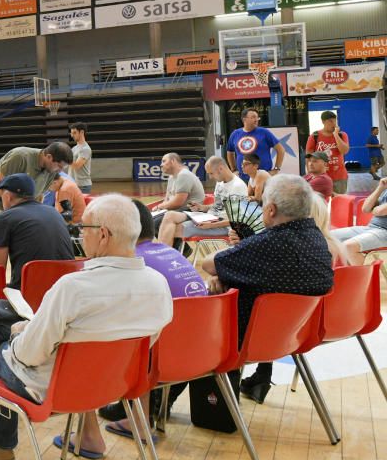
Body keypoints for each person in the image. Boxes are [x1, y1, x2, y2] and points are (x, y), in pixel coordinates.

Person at [0, 195, 172, 460]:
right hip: (115, 384)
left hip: (56, 386)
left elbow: (28, 356)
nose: (80, 234)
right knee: (4, 324)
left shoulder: (73, 288)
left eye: (85, 228)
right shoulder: (159, 285)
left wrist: (19, 332)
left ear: (103, 235)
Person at [202, 175, 333, 405]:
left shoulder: (268, 245)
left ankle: (155, 407)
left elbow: (209, 264)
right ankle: (260, 378)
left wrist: (231, 267)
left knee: (193, 315)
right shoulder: (317, 239)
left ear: (270, 209)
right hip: (295, 336)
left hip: (243, 339)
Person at [98, 200, 207, 434]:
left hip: (164, 359)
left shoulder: (132, 262)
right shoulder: (171, 252)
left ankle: (136, 410)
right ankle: (151, 405)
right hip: (205, 352)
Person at [0, 142, 73, 261]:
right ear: (48, 156)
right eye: (59, 166)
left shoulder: (51, 172)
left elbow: (38, 197)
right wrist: (17, 212)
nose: (59, 171)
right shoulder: (20, 157)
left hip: (20, 211)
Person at [0, 173, 73, 290]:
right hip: (65, 288)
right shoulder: (54, 212)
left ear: (8, 196)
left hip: (30, 291)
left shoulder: (5, 218)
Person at [157, 156, 247, 248]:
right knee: (169, 216)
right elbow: (218, 206)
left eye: (211, 173)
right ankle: (164, 256)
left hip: (223, 225)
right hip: (210, 218)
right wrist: (202, 207)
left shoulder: (237, 187)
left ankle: (163, 257)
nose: (210, 177)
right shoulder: (220, 182)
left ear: (221, 168)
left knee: (170, 230)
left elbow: (238, 220)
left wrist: (211, 225)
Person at [331, 176, 387, 266]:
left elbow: (380, 211)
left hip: (384, 231)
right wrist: (380, 187)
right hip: (372, 228)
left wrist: (374, 209)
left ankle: (366, 279)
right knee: (329, 237)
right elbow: (365, 208)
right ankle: (338, 274)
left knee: (348, 246)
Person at [226, 108, 285, 179]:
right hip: (242, 178)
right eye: (253, 117)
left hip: (263, 177)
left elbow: (280, 150)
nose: (256, 119)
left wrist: (276, 169)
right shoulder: (235, 134)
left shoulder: (264, 132)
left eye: (257, 117)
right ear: (244, 119)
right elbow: (230, 152)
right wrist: (233, 169)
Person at [306, 110, 350, 195]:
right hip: (321, 177)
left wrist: (336, 135)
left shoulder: (342, 135)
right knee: (322, 203)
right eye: (330, 121)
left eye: (335, 121)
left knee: (339, 203)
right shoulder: (314, 136)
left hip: (339, 177)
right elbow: (308, 157)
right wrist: (310, 174)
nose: (333, 123)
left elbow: (344, 151)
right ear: (323, 122)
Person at [69, 122, 93, 193]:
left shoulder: (85, 149)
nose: (72, 135)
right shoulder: (74, 148)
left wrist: (65, 157)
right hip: (73, 184)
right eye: (71, 133)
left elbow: (76, 166)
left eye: (74, 133)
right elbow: (69, 165)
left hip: (83, 186)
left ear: (82, 132)